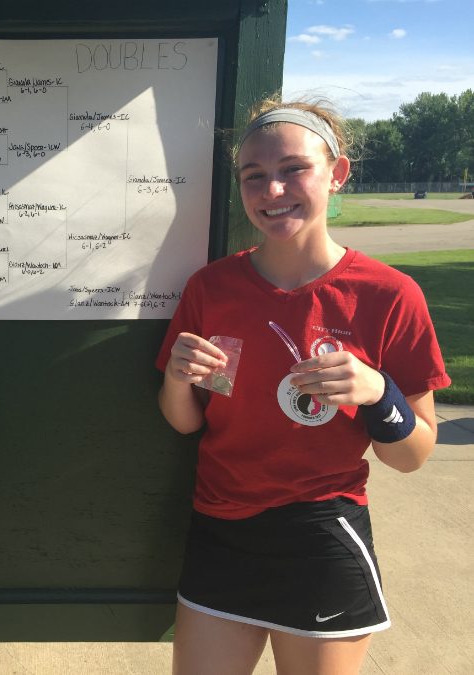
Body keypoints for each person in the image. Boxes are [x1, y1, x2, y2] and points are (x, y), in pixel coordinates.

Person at [156, 100, 450, 674]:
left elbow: (413, 454)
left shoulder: (389, 295)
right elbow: (186, 420)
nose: (272, 191)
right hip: (221, 527)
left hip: (322, 531)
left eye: (293, 169)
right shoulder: (212, 287)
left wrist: (377, 392)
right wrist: (176, 378)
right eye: (255, 176)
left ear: (337, 173)